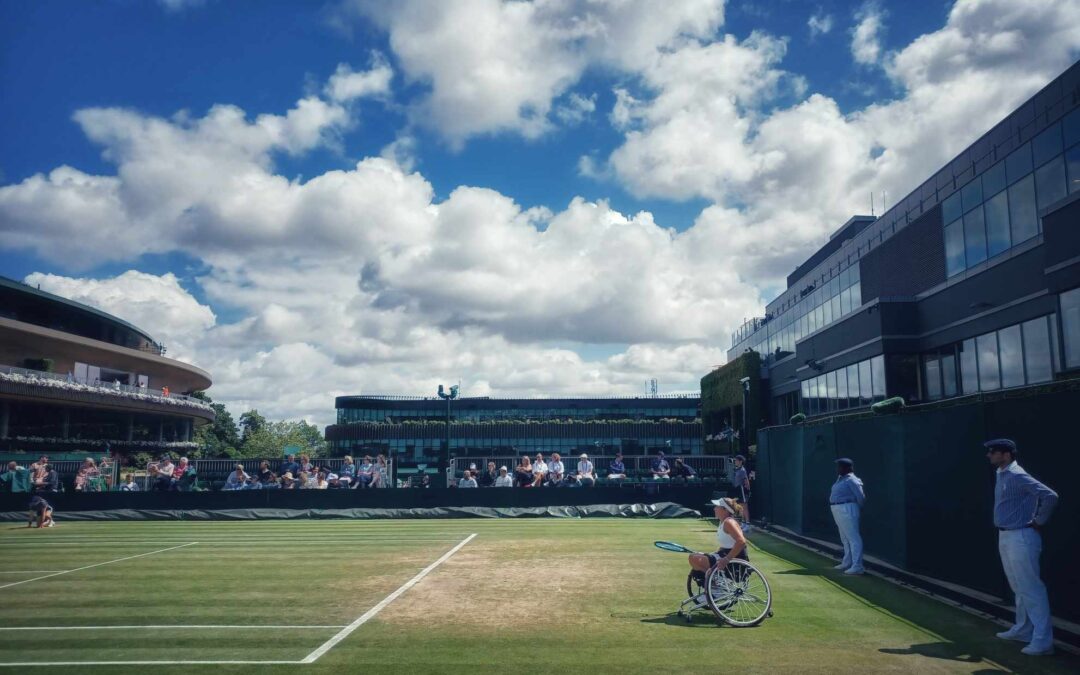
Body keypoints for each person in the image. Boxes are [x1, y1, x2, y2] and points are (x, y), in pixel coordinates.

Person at [986, 438, 1058, 656]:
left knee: (1031, 588)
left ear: (1006, 455)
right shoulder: (1002, 474)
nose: (989, 455)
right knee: (1018, 586)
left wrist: (1039, 520)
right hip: (1006, 536)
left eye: (993, 452)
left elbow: (1050, 496)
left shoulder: (1017, 475)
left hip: (1022, 537)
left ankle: (1043, 641)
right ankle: (1023, 630)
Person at [688, 498, 748, 586]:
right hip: (723, 555)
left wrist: (727, 559)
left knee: (695, 558)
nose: (714, 509)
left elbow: (742, 541)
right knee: (693, 557)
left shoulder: (729, 522)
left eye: (717, 506)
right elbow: (726, 545)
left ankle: (717, 584)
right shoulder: (723, 522)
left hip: (734, 561)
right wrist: (713, 554)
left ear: (725, 510)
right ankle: (714, 586)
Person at [830, 458, 866, 575]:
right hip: (838, 509)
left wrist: (856, 509)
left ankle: (857, 566)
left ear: (847, 468)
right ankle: (847, 562)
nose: (838, 469)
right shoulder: (840, 479)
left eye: (840, 467)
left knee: (853, 538)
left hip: (847, 508)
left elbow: (860, 497)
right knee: (845, 538)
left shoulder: (852, 480)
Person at [733, 454, 752, 530]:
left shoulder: (742, 470)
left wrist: (748, 490)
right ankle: (743, 523)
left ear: (741, 461)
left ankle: (747, 524)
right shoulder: (737, 469)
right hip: (738, 489)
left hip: (742, 489)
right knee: (741, 507)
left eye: (736, 461)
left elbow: (746, 480)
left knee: (745, 507)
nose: (735, 462)